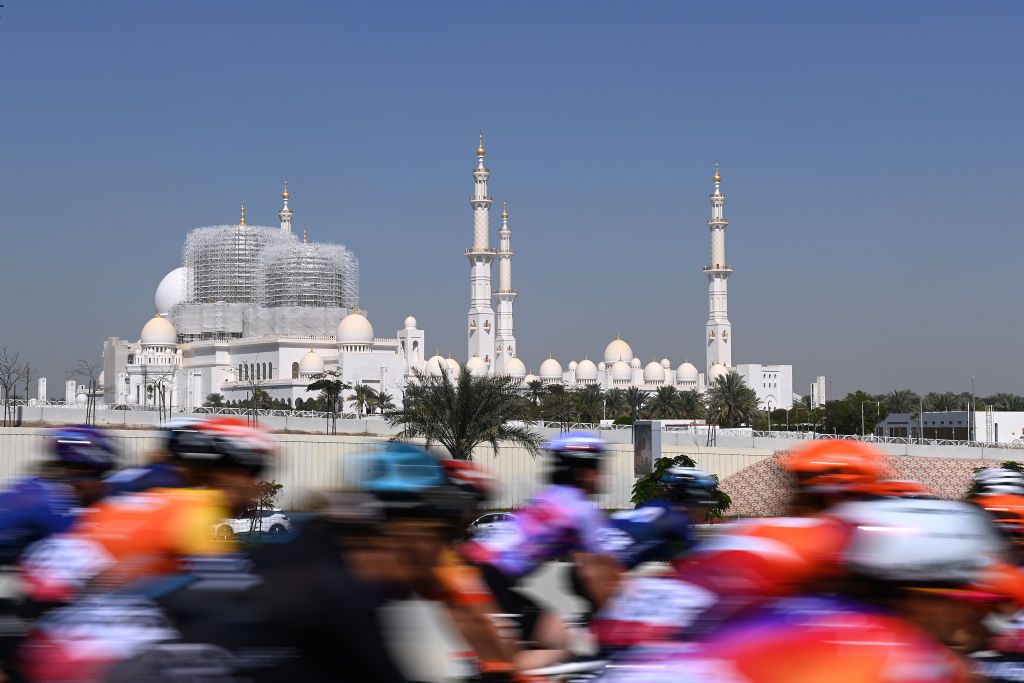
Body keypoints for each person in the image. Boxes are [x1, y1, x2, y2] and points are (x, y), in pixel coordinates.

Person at [597, 497, 1001, 683]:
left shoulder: (805, 609)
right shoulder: (885, 648)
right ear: (919, 593)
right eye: (959, 595)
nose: (970, 617)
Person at [20, 416, 271, 602]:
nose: (258, 486)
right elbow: (234, 589)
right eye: (254, 472)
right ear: (227, 473)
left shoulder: (167, 497)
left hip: (62, 598)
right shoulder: (196, 512)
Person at [460, 432, 622, 668]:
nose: (602, 474)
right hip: (488, 578)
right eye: (598, 466)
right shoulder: (581, 509)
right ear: (582, 472)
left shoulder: (548, 498)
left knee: (537, 641)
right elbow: (595, 573)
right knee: (561, 644)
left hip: (475, 570)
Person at [0, 426, 116, 565]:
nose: (103, 484)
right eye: (99, 475)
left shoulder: (35, 486)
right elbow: (91, 556)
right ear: (80, 472)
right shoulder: (54, 502)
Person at [603, 466, 719, 570]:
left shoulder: (652, 506)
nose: (705, 508)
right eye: (704, 501)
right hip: (605, 567)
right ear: (693, 499)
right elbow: (702, 559)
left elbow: (666, 553)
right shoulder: (678, 520)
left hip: (598, 553)